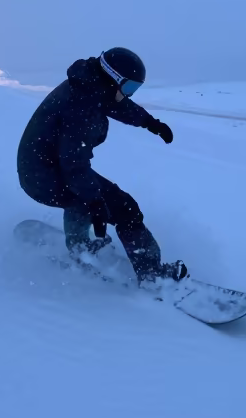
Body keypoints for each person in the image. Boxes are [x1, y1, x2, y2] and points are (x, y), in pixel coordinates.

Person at [17, 47, 188, 284]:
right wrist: (95, 202)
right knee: (120, 208)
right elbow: (74, 164)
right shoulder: (81, 106)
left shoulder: (90, 86)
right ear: (112, 78)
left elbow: (117, 105)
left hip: (44, 167)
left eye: (134, 89)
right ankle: (150, 274)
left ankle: (81, 247)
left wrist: (150, 123)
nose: (129, 94)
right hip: (44, 176)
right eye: (128, 88)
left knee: (89, 198)